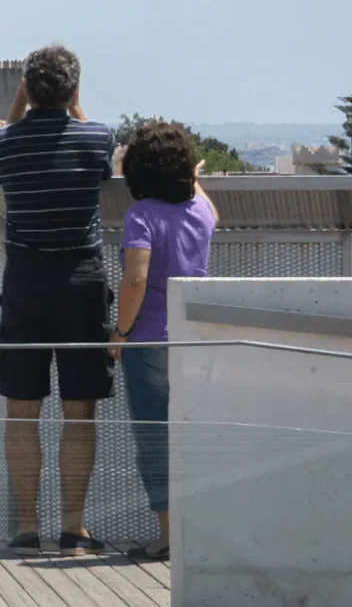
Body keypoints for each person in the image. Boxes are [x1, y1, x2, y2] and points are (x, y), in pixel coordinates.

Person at [0, 45, 115, 556]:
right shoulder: (97, 137)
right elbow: (98, 153)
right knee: (79, 406)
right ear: (74, 90)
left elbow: (6, 136)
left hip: (25, 280)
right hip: (81, 281)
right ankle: (73, 529)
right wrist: (74, 106)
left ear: (28, 89)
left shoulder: (4, 144)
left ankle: (25, 527)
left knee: (23, 406)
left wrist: (20, 104)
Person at [109, 123, 217, 561]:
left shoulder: (142, 215)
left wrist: (119, 335)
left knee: (156, 441)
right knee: (193, 438)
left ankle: (171, 536)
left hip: (151, 341)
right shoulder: (200, 210)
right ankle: (199, 531)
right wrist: (195, 178)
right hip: (195, 339)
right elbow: (208, 206)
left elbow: (136, 279)